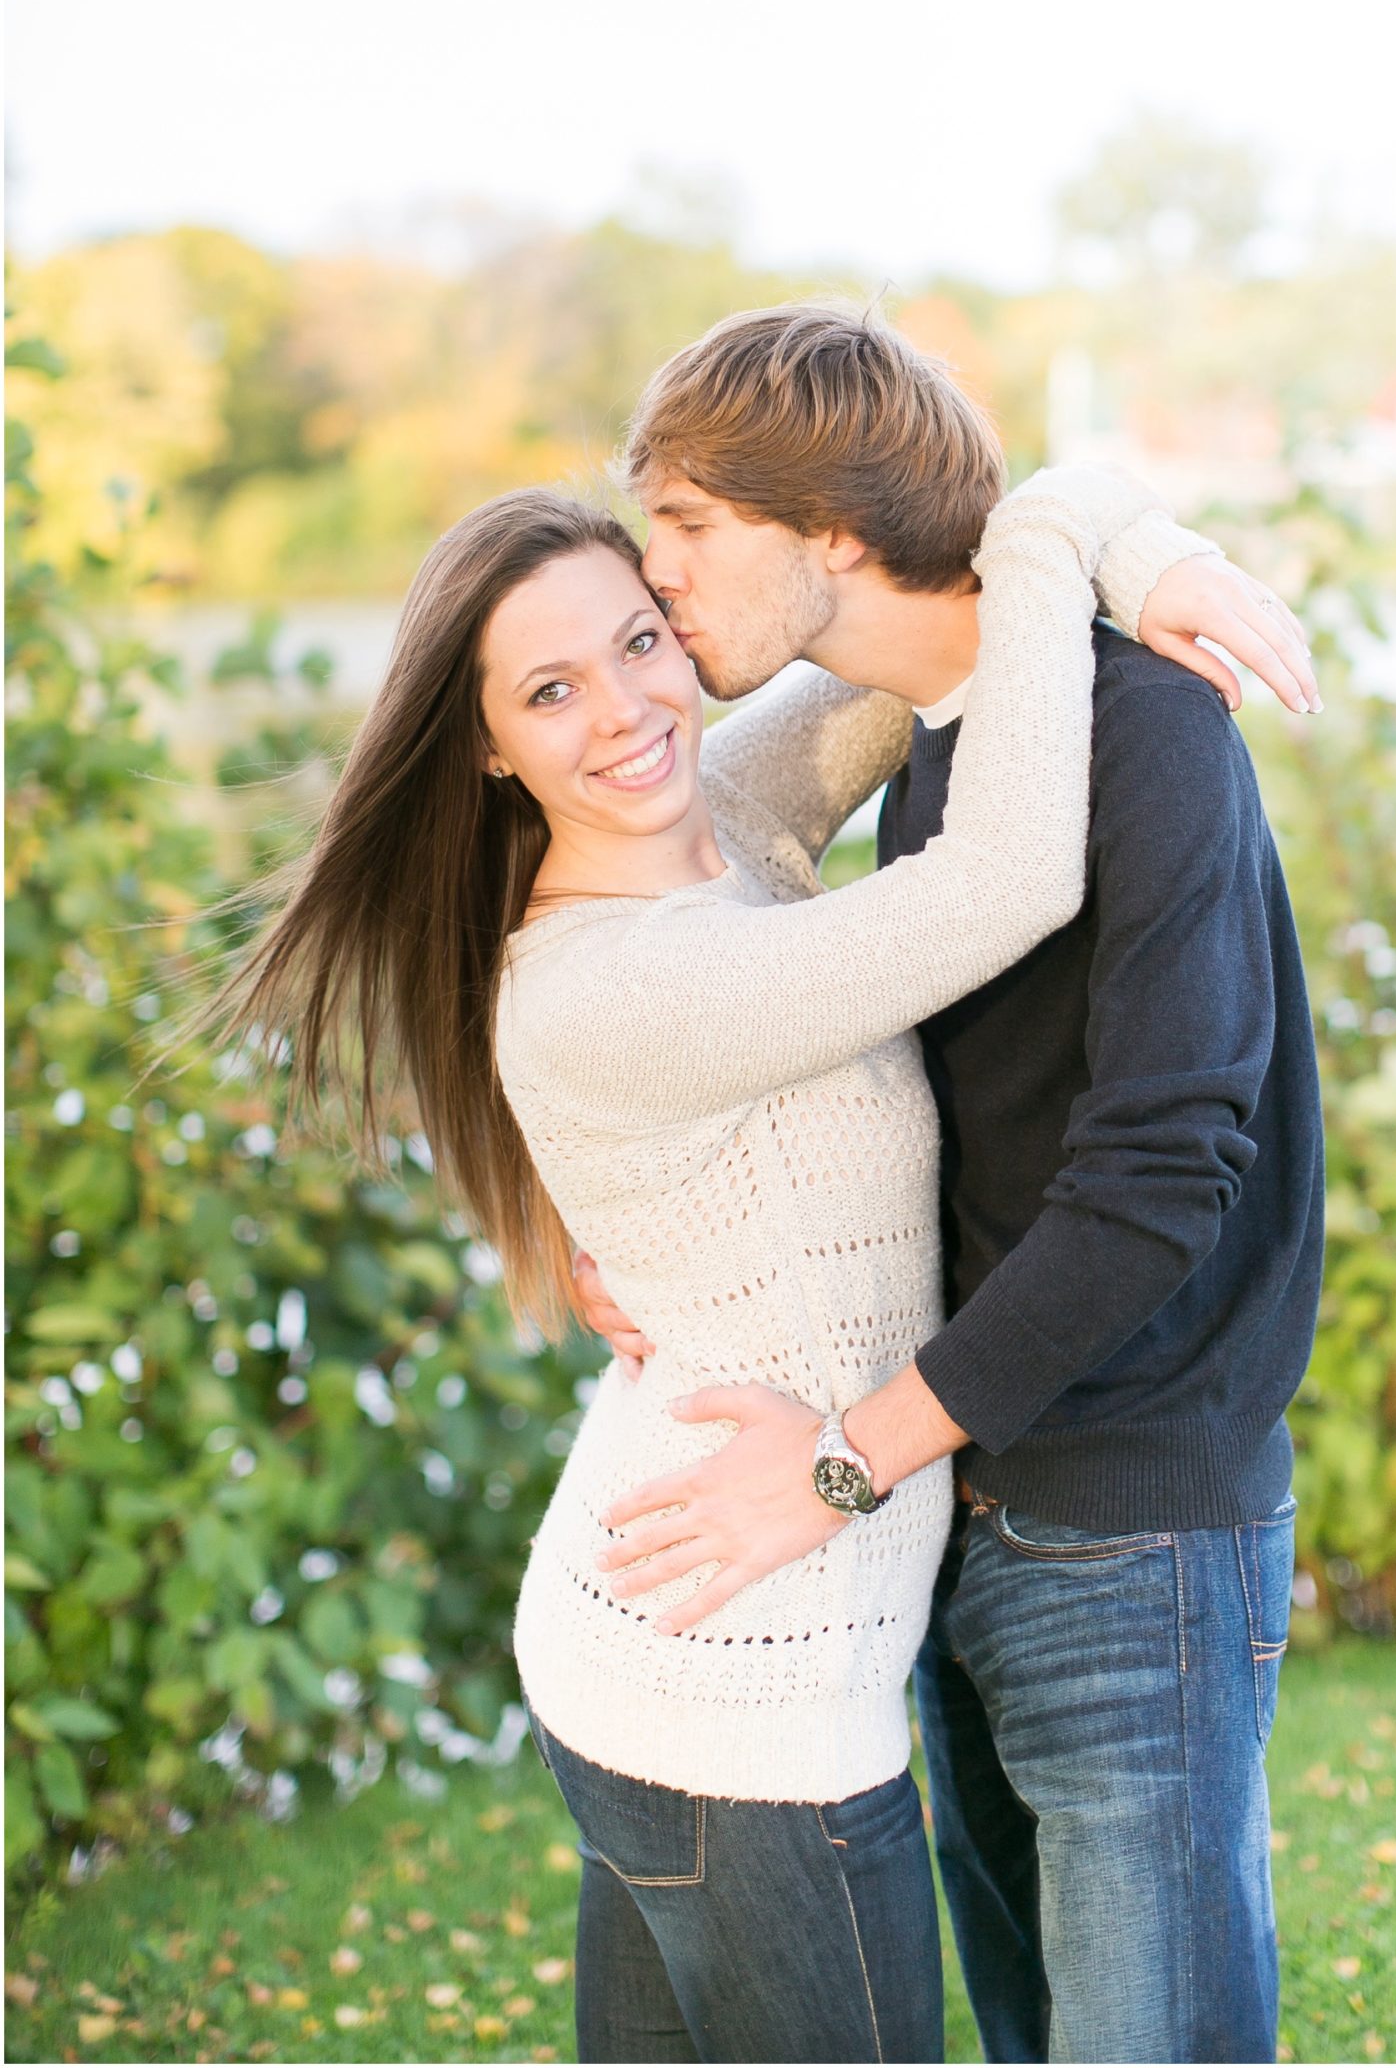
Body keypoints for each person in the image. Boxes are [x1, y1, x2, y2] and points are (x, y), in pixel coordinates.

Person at [203, 378, 1304, 2064]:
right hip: (736, 1664)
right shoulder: (626, 977)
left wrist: (1111, 532)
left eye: (646, 626)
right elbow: (1000, 878)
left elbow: (911, 660)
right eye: (548, 690)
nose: (635, 700)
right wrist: (1075, 526)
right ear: (487, 744)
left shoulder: (733, 829)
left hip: (725, 1626)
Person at [581, 301, 1326, 2066]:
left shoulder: (1144, 731)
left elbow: (1158, 1179)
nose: (652, 574)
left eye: (685, 523)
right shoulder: (943, 752)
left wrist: (841, 1461)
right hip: (966, 1501)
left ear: (830, 531)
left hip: (1131, 1527)